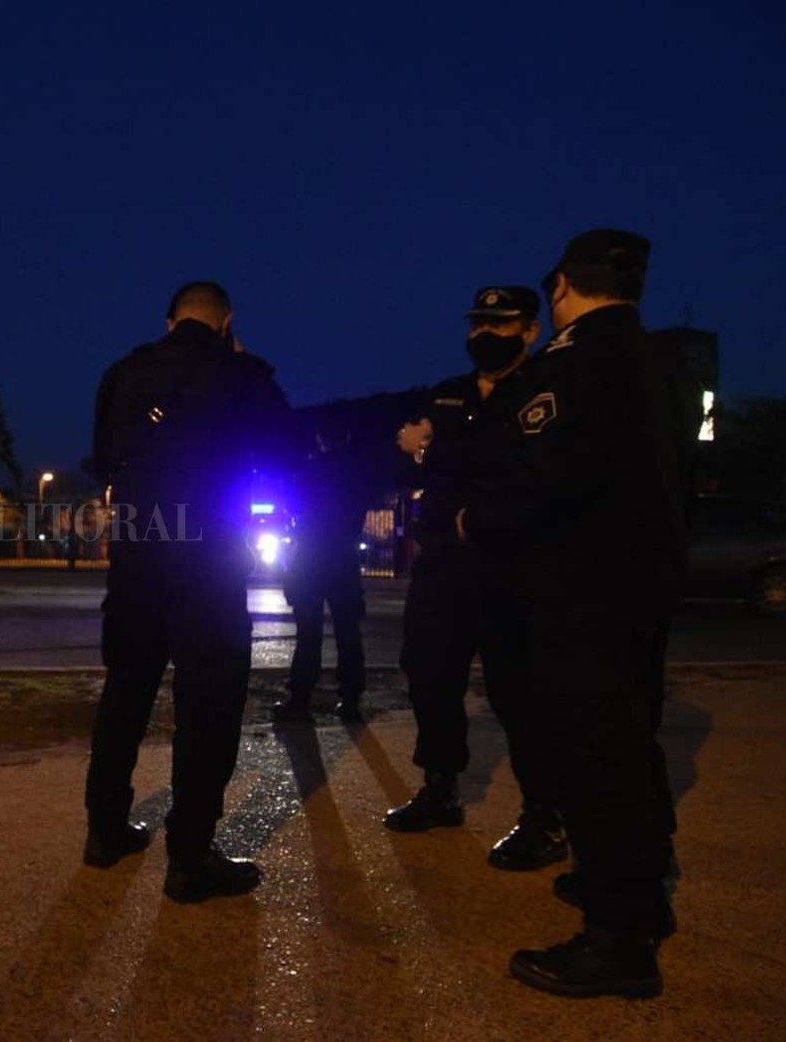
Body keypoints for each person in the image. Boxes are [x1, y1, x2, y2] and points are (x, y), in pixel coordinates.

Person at [459, 231, 686, 998]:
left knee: (596, 757)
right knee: (629, 742)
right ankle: (636, 897)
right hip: (636, 584)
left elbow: (543, 476)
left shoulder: (578, 362)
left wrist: (472, 520)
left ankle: (616, 940)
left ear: (558, 288)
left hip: (579, 590)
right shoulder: (656, 361)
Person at [83, 281, 292, 903]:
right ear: (227, 320)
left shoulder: (123, 373)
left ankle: (106, 829)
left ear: (169, 319)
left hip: (140, 551)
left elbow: (104, 459)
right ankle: (191, 854)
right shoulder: (242, 372)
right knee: (208, 705)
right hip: (209, 557)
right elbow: (283, 450)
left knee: (125, 693)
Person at [384, 287, 567, 874]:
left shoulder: (544, 388)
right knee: (431, 673)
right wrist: (417, 451)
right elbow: (407, 450)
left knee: (519, 690)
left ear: (530, 330)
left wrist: (436, 451)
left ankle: (545, 813)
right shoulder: (449, 393)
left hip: (511, 561)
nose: (483, 333)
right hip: (442, 560)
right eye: (477, 323)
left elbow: (522, 469)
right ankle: (441, 788)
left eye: (499, 322)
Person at [276, 430, 370, 723]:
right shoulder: (357, 473)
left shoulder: (311, 470)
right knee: (348, 631)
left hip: (313, 556)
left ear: (320, 437)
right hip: (343, 556)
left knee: (308, 631)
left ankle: (301, 697)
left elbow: (295, 510)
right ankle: (351, 697)